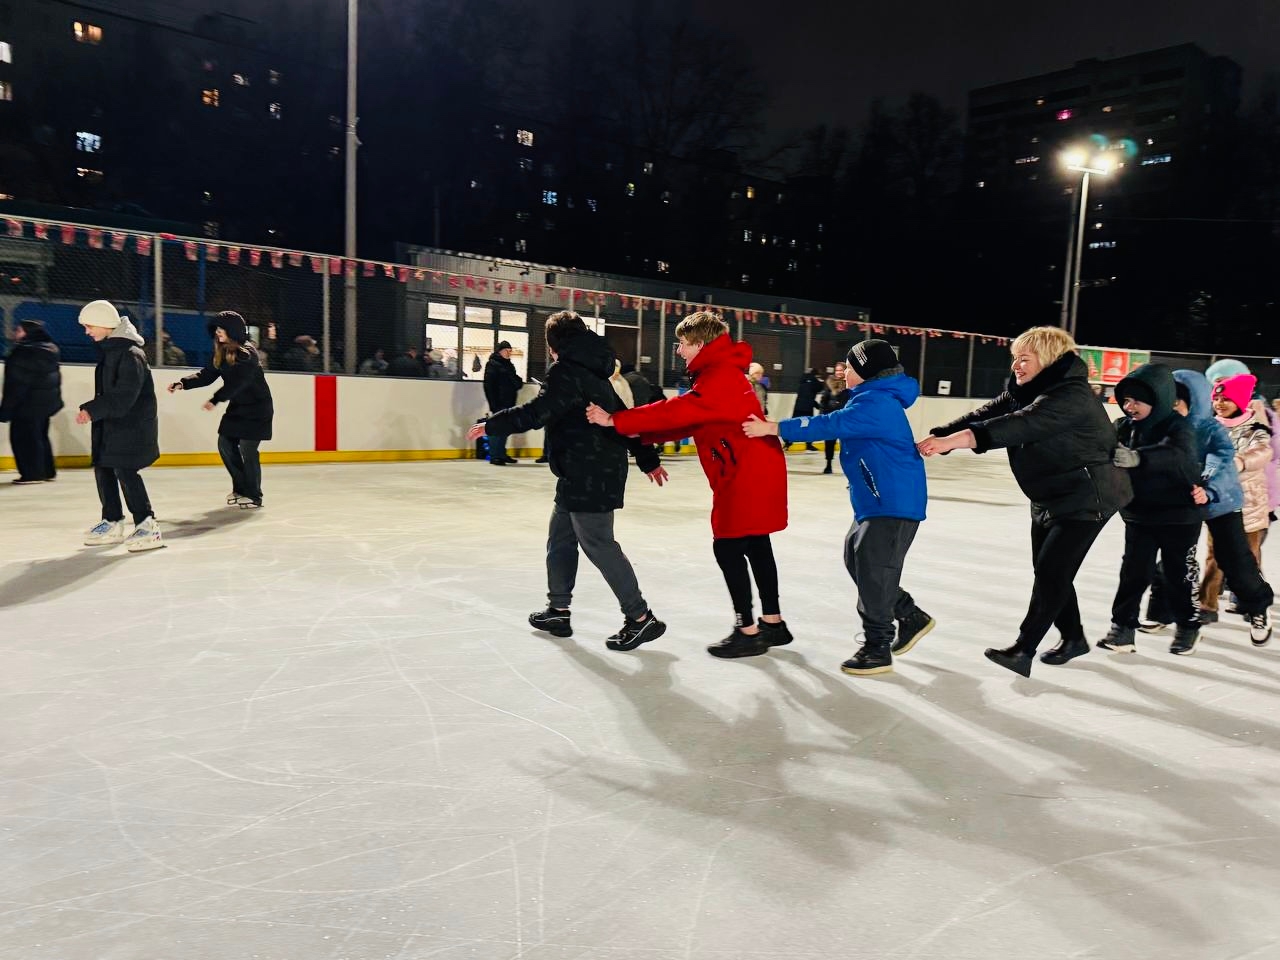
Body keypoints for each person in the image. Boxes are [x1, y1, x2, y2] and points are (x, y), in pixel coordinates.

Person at [920, 327, 1132, 677]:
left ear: (1046, 359)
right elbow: (989, 412)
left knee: (1052, 572)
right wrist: (943, 433)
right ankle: (1074, 638)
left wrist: (956, 442)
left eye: (1024, 359)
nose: (1016, 366)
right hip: (1051, 494)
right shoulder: (1027, 389)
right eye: (1015, 358)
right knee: (1051, 572)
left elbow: (1018, 425)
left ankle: (1023, 649)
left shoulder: (1071, 396)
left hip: (1088, 495)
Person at [587, 311, 790, 659]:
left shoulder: (719, 377)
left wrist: (617, 419)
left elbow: (678, 410)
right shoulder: (721, 373)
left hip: (743, 473)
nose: (679, 351)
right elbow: (692, 421)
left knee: (727, 547)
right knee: (756, 543)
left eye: (681, 343)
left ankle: (748, 630)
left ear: (698, 343)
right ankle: (773, 622)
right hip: (752, 468)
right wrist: (638, 432)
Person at [466, 311, 668, 651]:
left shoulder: (568, 371)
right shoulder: (592, 371)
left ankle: (639, 617)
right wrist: (647, 458)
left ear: (552, 344)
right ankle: (558, 610)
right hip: (580, 471)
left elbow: (537, 413)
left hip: (591, 473)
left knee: (598, 543)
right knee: (560, 538)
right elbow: (623, 416)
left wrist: (491, 424)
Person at [744, 339, 934, 675]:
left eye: (849, 366)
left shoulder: (875, 404)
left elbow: (827, 425)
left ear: (865, 371)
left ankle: (877, 646)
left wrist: (773, 428)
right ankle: (908, 613)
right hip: (876, 501)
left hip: (892, 502)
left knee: (874, 571)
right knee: (857, 558)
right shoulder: (872, 399)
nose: (843, 372)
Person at [1142, 371, 1273, 646]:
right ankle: (1162, 611)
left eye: (1180, 400)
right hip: (1186, 501)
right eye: (1171, 400)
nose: (1221, 403)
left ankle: (1257, 605)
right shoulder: (1175, 426)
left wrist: (1226, 468)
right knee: (1173, 557)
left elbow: (1247, 454)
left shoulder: (1233, 428)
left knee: (1234, 560)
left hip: (1225, 499)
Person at [1093, 363, 1203, 656]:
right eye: (1125, 400)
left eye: (1136, 401)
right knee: (1134, 573)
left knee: (1177, 573)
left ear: (1158, 399)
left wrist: (1138, 458)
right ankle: (1123, 628)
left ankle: (1188, 625)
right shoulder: (1123, 427)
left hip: (1179, 516)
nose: (1129, 407)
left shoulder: (1179, 426)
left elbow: (1178, 456)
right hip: (1140, 514)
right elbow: (1101, 449)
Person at [75, 300, 163, 552]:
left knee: (125, 471)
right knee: (103, 467)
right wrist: (95, 410)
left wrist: (93, 409)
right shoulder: (111, 351)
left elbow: (125, 396)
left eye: (89, 326)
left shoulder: (130, 354)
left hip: (131, 427)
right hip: (113, 425)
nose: (87, 331)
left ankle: (147, 524)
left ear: (104, 324)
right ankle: (112, 520)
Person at [168, 311, 274, 509]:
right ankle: (241, 489)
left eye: (221, 328)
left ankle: (254, 495)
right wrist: (183, 383)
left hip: (257, 408)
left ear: (233, 331)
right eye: (216, 329)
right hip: (239, 407)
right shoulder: (222, 352)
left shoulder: (247, 353)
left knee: (248, 449)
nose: (218, 332)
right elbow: (207, 375)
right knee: (225, 443)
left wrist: (216, 399)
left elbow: (238, 383)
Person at [1201, 373, 1273, 642]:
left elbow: (1263, 452)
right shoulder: (1209, 427)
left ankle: (1253, 604)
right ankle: (1207, 604)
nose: (1220, 403)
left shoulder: (1255, 428)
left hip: (1250, 506)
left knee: (1247, 559)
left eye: (1226, 398)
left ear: (1240, 400)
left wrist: (1239, 462)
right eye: (1216, 398)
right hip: (1219, 504)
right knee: (1214, 556)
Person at [0, 320, 64, 484]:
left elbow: (16, 384)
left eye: (19, 330)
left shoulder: (23, 352)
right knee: (40, 437)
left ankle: (32, 474)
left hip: (25, 405)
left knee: (23, 439)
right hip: (44, 405)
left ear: (29, 333)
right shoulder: (50, 350)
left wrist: (6, 409)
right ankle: (47, 471)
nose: (16, 333)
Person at [483, 340, 524, 465]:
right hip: (498, 403)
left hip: (509, 401)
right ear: (500, 351)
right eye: (507, 350)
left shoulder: (509, 365)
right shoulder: (493, 364)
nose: (509, 353)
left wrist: (517, 382)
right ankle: (495, 455)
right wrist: (493, 404)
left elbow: (515, 382)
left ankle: (502, 453)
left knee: (505, 429)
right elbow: (488, 386)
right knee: (497, 429)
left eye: (510, 351)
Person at [816, 364, 851, 473]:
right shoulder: (829, 384)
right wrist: (822, 415)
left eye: (841, 370)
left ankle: (850, 467)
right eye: (837, 370)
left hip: (845, 419)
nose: (838, 372)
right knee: (830, 442)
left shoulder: (850, 385)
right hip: (831, 418)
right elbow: (823, 401)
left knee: (847, 444)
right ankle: (828, 464)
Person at [790, 367, 823, 451]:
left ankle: (788, 442)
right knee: (809, 426)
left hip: (798, 406)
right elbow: (819, 388)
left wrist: (816, 404)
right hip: (807, 408)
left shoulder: (803, 380)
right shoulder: (814, 381)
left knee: (793, 424)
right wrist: (819, 380)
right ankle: (809, 444)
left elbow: (807, 394)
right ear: (816, 375)